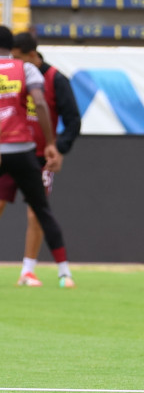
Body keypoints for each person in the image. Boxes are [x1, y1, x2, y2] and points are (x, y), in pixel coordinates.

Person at [0, 32, 81, 287]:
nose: (11, 61)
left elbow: (72, 119)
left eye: (17, 56)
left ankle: (30, 270)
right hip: (18, 149)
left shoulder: (55, 79)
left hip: (36, 155)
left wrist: (56, 147)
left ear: (31, 55)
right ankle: (56, 271)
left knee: (37, 214)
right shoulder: (22, 71)